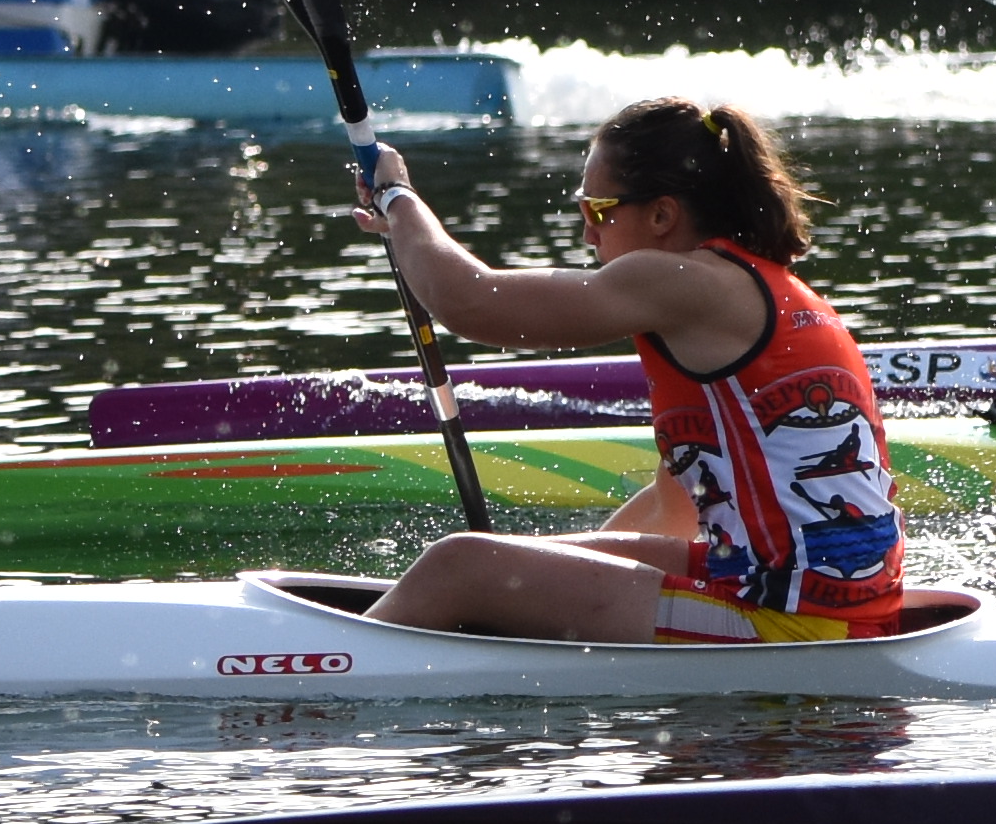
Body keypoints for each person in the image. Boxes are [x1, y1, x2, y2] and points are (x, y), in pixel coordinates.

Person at [338, 101, 914, 638]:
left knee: (459, 565)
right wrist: (539, 582)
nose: (587, 231)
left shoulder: (685, 282)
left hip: (789, 622)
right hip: (829, 603)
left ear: (663, 214)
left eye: (598, 210)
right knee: (511, 563)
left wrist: (398, 197)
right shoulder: (758, 288)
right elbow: (673, 509)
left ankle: (327, 665)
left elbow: (471, 301)